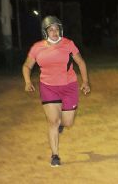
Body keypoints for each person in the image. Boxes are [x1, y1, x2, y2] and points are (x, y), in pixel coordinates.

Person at [22, 16, 90, 167]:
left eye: (57, 29)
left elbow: (80, 62)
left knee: (68, 122)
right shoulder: (37, 47)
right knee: (52, 121)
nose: (55, 32)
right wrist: (27, 81)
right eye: (51, 29)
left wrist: (85, 82)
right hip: (48, 87)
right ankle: (55, 155)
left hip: (69, 86)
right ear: (45, 32)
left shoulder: (68, 44)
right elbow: (27, 66)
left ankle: (61, 124)